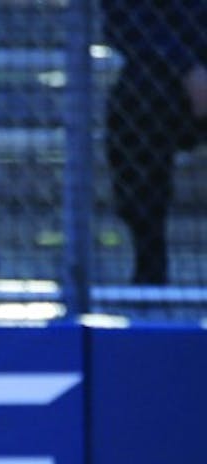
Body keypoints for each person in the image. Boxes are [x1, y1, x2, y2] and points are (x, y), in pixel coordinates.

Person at [101, 0, 206, 285]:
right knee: (137, 100)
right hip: (165, 80)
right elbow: (122, 23)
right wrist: (188, 68)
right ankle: (149, 266)